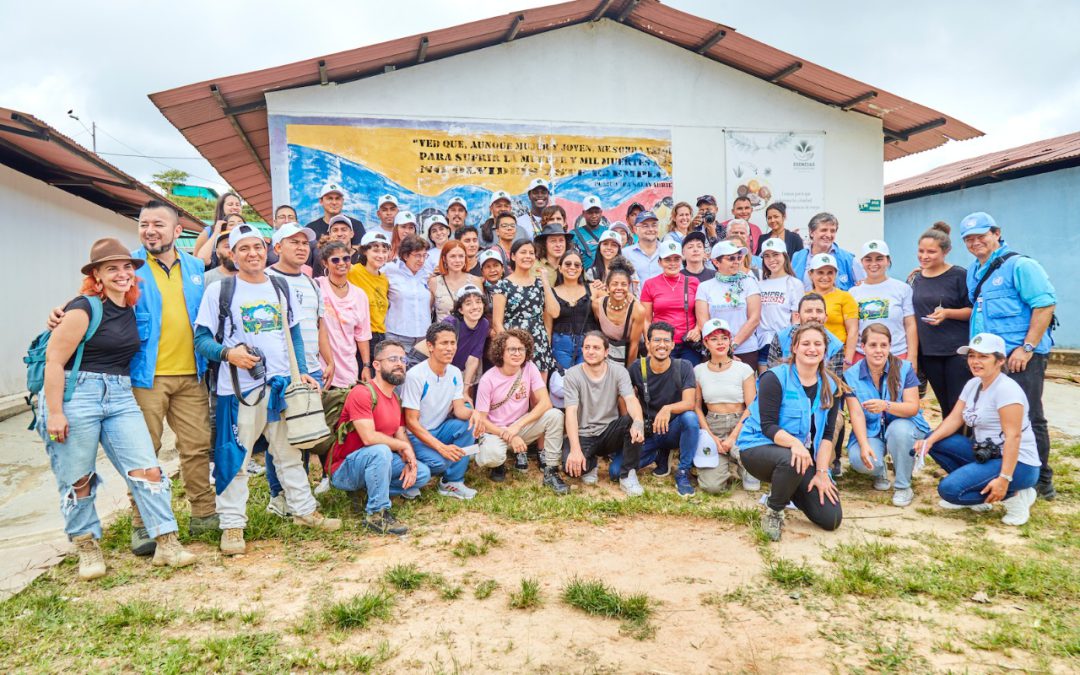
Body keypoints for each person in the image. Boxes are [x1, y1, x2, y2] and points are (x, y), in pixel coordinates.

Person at [39, 238, 198, 579]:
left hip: (120, 393)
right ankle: (87, 547)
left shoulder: (131, 305)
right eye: (112, 268)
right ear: (96, 275)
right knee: (78, 477)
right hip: (76, 392)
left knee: (148, 468)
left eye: (127, 267)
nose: (122, 274)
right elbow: (54, 361)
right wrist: (55, 412)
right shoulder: (82, 308)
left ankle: (166, 542)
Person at [193, 224, 341, 556]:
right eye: (243, 249)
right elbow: (201, 339)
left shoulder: (279, 287)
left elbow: (294, 335)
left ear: (267, 249)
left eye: (257, 247)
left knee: (289, 453)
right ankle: (232, 524)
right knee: (236, 457)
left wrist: (300, 372)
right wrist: (229, 354)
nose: (253, 254)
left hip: (280, 387)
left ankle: (304, 510)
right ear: (232, 255)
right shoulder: (221, 290)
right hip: (239, 391)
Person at [961, 212, 1057, 500]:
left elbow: (1044, 305)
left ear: (996, 233)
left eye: (981, 236)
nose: (975, 242)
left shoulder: (1021, 266)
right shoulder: (973, 271)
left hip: (1019, 358)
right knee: (988, 417)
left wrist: (1027, 348)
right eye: (969, 238)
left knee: (1028, 417)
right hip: (987, 361)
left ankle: (1040, 481)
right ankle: (997, 470)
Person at [915, 333, 1041, 525]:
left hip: (1019, 464)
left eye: (983, 356)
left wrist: (1005, 478)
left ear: (1000, 361)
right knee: (936, 440)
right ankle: (978, 492)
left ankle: (1016, 495)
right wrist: (928, 442)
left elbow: (1013, 437)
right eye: (972, 356)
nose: (975, 361)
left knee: (949, 490)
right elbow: (955, 418)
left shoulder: (1007, 390)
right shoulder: (974, 384)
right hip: (988, 454)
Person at [737, 323, 846, 541]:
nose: (812, 349)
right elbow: (767, 426)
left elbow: (827, 436)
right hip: (758, 447)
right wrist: (796, 445)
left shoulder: (831, 385)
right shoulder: (774, 378)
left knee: (830, 518)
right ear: (794, 347)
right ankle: (774, 509)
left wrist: (822, 473)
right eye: (805, 343)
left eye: (818, 344)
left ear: (825, 350)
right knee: (790, 459)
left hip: (800, 458)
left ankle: (788, 487)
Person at [328, 339, 428, 534]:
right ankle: (377, 514)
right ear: (376, 365)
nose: (400, 363)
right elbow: (369, 438)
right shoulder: (362, 393)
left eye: (403, 359)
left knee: (422, 474)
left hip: (377, 461)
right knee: (380, 450)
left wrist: (410, 458)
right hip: (345, 469)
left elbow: (400, 432)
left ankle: (370, 493)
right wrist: (402, 446)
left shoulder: (395, 398)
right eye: (392, 359)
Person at [843, 325, 930, 507]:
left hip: (906, 425)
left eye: (884, 345)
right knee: (859, 459)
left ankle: (903, 485)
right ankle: (879, 470)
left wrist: (886, 406)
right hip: (871, 430)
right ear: (863, 346)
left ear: (890, 346)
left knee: (899, 431)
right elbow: (856, 414)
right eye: (873, 345)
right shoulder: (850, 375)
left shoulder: (904, 368)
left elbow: (913, 408)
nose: (878, 350)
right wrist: (864, 445)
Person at [472, 329, 569, 492]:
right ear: (501, 351)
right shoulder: (488, 380)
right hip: (495, 432)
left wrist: (517, 428)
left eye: (521, 349)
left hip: (520, 427)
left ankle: (551, 471)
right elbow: (481, 421)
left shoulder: (529, 368)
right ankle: (498, 463)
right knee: (492, 456)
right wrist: (508, 435)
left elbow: (545, 403)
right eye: (512, 349)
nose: (517, 353)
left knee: (555, 415)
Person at [562, 332, 647, 496]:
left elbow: (630, 399)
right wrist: (575, 449)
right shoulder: (573, 374)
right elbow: (571, 412)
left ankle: (628, 475)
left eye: (596, 347)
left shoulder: (619, 371)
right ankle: (590, 463)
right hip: (584, 434)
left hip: (609, 431)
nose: (591, 351)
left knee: (633, 420)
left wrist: (638, 422)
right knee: (571, 468)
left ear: (606, 352)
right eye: (587, 347)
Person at [402, 322, 480, 499]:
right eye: (444, 343)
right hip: (415, 435)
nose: (450, 348)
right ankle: (408, 469)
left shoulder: (454, 373)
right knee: (441, 462)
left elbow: (459, 409)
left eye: (453, 343)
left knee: (469, 423)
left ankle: (452, 482)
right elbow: (411, 422)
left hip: (439, 428)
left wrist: (473, 413)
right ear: (430, 346)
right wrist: (441, 448)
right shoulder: (415, 375)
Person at [623, 322, 701, 496]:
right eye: (656, 340)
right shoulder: (637, 367)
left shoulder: (684, 366)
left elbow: (689, 403)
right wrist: (634, 424)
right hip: (648, 431)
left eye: (666, 340)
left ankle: (683, 472)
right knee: (617, 471)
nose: (662, 345)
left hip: (672, 429)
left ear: (673, 344)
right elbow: (626, 398)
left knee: (690, 418)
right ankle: (660, 454)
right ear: (648, 344)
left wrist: (667, 409)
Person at [910, 222, 971, 418]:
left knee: (959, 405)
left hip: (956, 352)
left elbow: (974, 310)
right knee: (945, 404)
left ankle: (965, 445)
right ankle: (950, 446)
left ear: (946, 252)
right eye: (921, 251)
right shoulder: (915, 279)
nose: (924, 256)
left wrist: (948, 313)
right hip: (929, 353)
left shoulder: (959, 275)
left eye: (931, 252)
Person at [694, 319, 757, 493]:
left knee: (752, 486)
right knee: (711, 487)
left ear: (730, 341)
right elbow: (697, 407)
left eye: (724, 338)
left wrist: (732, 437)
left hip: (741, 423)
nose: (720, 343)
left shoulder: (744, 369)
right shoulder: (698, 370)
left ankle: (739, 460)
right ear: (705, 342)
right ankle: (727, 460)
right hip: (713, 423)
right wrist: (711, 436)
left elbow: (752, 406)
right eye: (714, 339)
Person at [408, 285, 489, 402]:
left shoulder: (483, 324)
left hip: (445, 365)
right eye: (468, 303)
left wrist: (465, 390)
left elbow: (473, 359)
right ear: (461, 309)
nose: (475, 307)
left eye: (478, 302)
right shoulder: (451, 323)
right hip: (422, 359)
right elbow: (438, 353)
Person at [491, 239, 558, 378]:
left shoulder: (540, 284)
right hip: (513, 343)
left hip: (538, 342)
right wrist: (509, 347)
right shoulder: (503, 285)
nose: (528, 256)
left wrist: (545, 281)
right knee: (515, 392)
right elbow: (497, 322)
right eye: (523, 252)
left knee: (538, 393)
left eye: (531, 253)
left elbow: (554, 312)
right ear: (514, 256)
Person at [849, 240, 918, 365]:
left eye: (879, 259)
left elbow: (910, 325)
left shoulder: (902, 289)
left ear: (888, 260)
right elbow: (852, 329)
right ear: (862, 263)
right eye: (868, 259)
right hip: (862, 357)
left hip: (897, 355)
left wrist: (912, 357)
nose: (873, 264)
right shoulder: (853, 292)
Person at [695, 240, 761, 368]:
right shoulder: (704, 287)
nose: (736, 261)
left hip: (745, 350)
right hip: (713, 352)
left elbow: (754, 319)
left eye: (738, 257)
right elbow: (704, 323)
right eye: (731, 258)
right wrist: (721, 348)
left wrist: (732, 346)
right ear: (716, 262)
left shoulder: (750, 283)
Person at [317, 240, 372, 387]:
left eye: (346, 258)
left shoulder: (359, 295)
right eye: (335, 259)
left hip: (348, 369)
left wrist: (366, 366)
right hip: (320, 368)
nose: (342, 263)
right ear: (325, 263)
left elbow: (362, 334)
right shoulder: (316, 287)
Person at [640, 239, 702, 365]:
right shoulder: (650, 284)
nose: (672, 263)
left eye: (676, 259)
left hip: (688, 343)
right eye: (668, 259)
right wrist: (649, 343)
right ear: (660, 262)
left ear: (681, 261)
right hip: (662, 343)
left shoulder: (693, 282)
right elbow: (646, 319)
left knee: (690, 379)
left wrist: (697, 329)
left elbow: (702, 313)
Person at [756, 237, 802, 372]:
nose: (771, 260)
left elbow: (796, 318)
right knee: (765, 384)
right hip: (763, 343)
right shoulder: (759, 284)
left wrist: (793, 344)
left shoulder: (794, 283)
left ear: (785, 256)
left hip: (785, 344)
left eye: (776, 255)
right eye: (767, 256)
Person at [768, 293, 846, 373]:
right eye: (808, 311)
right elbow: (772, 373)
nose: (814, 315)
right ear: (798, 316)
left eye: (819, 311)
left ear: (826, 317)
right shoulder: (781, 337)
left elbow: (834, 382)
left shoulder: (836, 346)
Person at [807, 253, 859, 366]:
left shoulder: (845, 297)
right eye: (820, 272)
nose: (825, 277)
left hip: (837, 357)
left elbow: (853, 330)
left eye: (830, 273)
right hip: (810, 356)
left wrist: (848, 360)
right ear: (810, 274)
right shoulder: (804, 298)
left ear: (836, 274)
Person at [547, 250, 595, 370]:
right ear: (560, 268)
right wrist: (547, 351)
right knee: (565, 384)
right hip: (560, 345)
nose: (572, 267)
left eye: (577, 265)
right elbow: (548, 326)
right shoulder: (552, 292)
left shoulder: (593, 288)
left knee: (586, 383)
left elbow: (611, 304)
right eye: (567, 264)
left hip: (588, 344)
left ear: (581, 269)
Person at [592, 257, 645, 366]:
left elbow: (634, 346)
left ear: (629, 286)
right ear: (607, 286)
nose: (619, 288)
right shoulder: (597, 305)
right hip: (604, 358)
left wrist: (628, 374)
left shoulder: (637, 310)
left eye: (624, 284)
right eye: (615, 284)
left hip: (627, 357)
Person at [791, 213, 864, 290]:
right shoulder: (798, 257)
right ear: (811, 232)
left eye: (832, 231)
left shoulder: (848, 259)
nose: (828, 235)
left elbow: (862, 287)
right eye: (824, 230)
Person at [384, 234, 431, 351]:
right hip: (397, 335)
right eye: (417, 255)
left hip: (423, 337)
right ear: (405, 255)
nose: (421, 260)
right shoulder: (389, 270)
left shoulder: (427, 274)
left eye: (424, 255)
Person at [347, 231, 391, 349]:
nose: (381, 255)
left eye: (385, 251)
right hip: (359, 336)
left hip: (381, 335)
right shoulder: (353, 271)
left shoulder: (384, 279)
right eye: (375, 251)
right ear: (365, 251)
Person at [304, 182, 365, 261]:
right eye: (330, 198)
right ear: (321, 201)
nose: (334, 202)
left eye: (337, 198)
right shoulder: (311, 228)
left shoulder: (356, 225)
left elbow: (361, 253)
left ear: (343, 201)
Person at [430, 240, 480, 322]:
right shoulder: (434, 282)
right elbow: (427, 312)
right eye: (452, 256)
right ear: (444, 258)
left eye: (461, 256)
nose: (457, 260)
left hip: (469, 332)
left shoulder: (475, 281)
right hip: (443, 332)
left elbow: (480, 310)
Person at [193, 191, 243, 266]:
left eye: (237, 205)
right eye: (230, 204)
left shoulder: (246, 230)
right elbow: (195, 259)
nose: (235, 207)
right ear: (222, 207)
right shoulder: (209, 231)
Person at [621, 211, 663, 281]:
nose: (651, 229)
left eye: (654, 225)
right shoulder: (625, 254)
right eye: (645, 226)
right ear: (635, 229)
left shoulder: (667, 251)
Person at [571, 194, 608, 269]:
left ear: (601, 212)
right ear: (583, 214)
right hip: (585, 277)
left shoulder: (608, 231)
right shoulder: (574, 234)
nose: (594, 216)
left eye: (597, 212)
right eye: (590, 212)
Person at [534, 221, 568, 287]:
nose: (558, 245)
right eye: (553, 241)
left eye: (561, 240)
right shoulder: (534, 266)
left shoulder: (572, 264)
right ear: (544, 244)